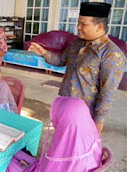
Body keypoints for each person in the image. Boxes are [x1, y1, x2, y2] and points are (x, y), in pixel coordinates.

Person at [28, 2, 126, 133]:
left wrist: (98, 122)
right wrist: (43, 52)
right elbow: (60, 60)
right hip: (63, 106)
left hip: (84, 116)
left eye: (83, 24)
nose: (78, 27)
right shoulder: (77, 43)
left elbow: (107, 94)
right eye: (78, 22)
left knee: (76, 151)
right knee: (61, 143)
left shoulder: (112, 54)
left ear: (100, 26)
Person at [14, 96, 102, 172]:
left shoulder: (67, 154)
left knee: (7, 163)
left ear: (67, 122)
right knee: (13, 152)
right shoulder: (89, 140)